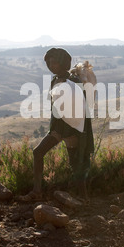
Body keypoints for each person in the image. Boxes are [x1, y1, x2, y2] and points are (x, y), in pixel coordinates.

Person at [18, 48, 94, 202]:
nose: (52, 66)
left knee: (76, 163)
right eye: (49, 63)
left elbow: (81, 108)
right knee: (38, 153)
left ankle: (84, 198)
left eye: (55, 63)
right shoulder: (55, 80)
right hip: (58, 129)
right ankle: (37, 192)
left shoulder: (75, 82)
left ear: (63, 63)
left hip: (72, 129)